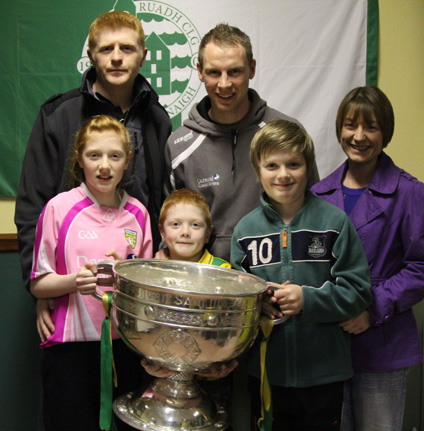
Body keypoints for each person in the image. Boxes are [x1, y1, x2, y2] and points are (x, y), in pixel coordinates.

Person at [14, 10, 171, 341]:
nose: (116, 58)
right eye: (106, 48)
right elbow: (33, 209)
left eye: (127, 48)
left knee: (132, 391)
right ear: (90, 54)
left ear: (143, 55)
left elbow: (160, 203)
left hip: (133, 300)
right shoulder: (58, 116)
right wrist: (41, 290)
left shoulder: (157, 119)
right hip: (71, 295)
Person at [311, 86, 424, 431]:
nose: (359, 136)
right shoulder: (318, 194)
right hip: (328, 346)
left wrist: (372, 308)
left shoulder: (410, 192)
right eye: (350, 125)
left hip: (382, 343)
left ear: (385, 132)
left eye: (370, 127)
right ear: (339, 128)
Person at [230, 119, 372, 431]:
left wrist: (307, 299)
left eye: (293, 164)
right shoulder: (244, 231)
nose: (283, 175)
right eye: (272, 165)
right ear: (257, 171)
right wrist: (259, 304)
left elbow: (359, 292)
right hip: (266, 373)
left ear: (308, 168)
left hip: (324, 375)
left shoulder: (334, 222)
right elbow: (236, 300)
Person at [29, 115, 153, 431]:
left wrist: (126, 275)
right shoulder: (59, 208)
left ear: (128, 161)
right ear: (78, 158)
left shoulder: (138, 213)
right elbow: (39, 284)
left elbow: (146, 286)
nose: (104, 166)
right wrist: (74, 281)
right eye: (94, 155)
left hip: (124, 347)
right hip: (71, 349)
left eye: (114, 156)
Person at [164, 23, 319, 262]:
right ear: (200, 71)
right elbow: (170, 223)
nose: (224, 84)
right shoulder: (180, 146)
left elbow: (312, 210)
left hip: (277, 279)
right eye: (215, 72)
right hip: (207, 282)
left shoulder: (286, 133)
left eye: (234, 71)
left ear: (252, 68)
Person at [141, 188, 238, 418]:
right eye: (175, 225)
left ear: (208, 234)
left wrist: (226, 360)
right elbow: (146, 325)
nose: (185, 232)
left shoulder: (223, 273)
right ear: (162, 232)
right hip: (163, 373)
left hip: (210, 376)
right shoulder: (151, 272)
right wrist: (147, 360)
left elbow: (228, 327)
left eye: (195, 225)